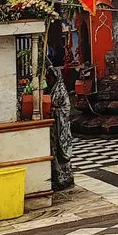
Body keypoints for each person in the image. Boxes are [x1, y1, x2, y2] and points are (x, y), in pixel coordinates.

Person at [46, 62, 74, 191]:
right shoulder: (50, 89)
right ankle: (56, 178)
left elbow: (65, 109)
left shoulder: (61, 90)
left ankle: (65, 178)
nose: (48, 80)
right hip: (53, 128)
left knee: (61, 152)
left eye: (50, 78)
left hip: (61, 127)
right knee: (53, 152)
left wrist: (54, 111)